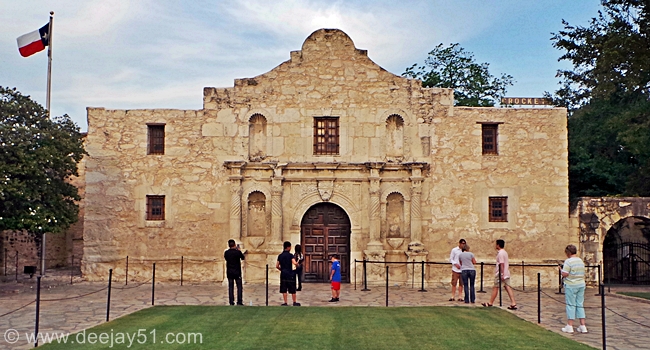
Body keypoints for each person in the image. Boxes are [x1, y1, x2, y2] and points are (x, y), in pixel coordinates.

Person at [560, 244, 588, 333]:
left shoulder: (568, 261)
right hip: (581, 284)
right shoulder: (580, 261)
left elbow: (565, 274)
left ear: (568, 253)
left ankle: (570, 325)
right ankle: (582, 325)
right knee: (580, 304)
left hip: (571, 284)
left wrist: (560, 270)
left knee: (571, 304)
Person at [482, 239, 517, 309]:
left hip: (501, 273)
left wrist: (502, 274)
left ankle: (490, 303)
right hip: (506, 272)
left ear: (498, 245)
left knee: (495, 287)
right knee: (507, 287)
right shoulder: (505, 252)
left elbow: (501, 264)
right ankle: (513, 302)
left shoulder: (500, 253)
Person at [276, 241, 300, 306]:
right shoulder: (290, 255)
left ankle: (285, 302)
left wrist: (282, 270)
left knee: (284, 288)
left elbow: (277, 266)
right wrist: (297, 264)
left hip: (283, 273)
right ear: (288, 247)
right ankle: (294, 302)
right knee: (292, 288)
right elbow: (294, 263)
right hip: (290, 273)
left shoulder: (280, 256)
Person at [223, 239, 245, 306]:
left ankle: (231, 301)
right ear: (234, 245)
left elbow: (226, 258)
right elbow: (243, 257)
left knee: (230, 287)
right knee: (239, 287)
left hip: (230, 272)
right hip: (237, 272)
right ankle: (239, 301)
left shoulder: (226, 253)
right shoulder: (237, 252)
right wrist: (239, 250)